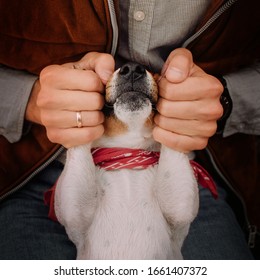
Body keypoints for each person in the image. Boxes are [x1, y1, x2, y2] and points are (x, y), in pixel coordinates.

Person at [0, 0, 259, 259]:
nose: (133, 71)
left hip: (197, 164)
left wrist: (228, 99)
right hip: (31, 171)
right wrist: (28, 99)